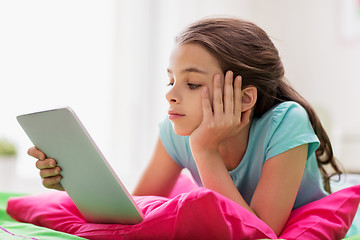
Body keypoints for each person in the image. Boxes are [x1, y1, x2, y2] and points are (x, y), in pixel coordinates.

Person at [27, 17, 342, 236]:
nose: (170, 94)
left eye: (191, 83)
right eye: (171, 79)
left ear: (245, 98)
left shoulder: (286, 122)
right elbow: (136, 211)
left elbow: (261, 231)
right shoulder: (173, 130)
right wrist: (75, 184)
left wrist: (204, 150)